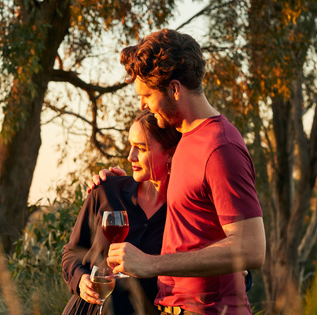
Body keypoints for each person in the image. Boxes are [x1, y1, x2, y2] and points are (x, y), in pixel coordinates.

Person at [93, 29, 266, 315]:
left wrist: (151, 263)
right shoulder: (184, 137)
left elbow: (251, 248)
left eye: (147, 94)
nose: (143, 105)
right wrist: (114, 180)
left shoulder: (220, 147)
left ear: (174, 89)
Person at [62, 110, 182, 315]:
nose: (130, 156)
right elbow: (71, 252)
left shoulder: (183, 212)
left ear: (169, 153)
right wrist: (80, 280)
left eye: (141, 148)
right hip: (87, 309)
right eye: (130, 145)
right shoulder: (106, 190)